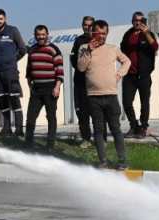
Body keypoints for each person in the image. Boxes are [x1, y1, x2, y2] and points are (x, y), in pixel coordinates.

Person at [76, 20, 130, 170]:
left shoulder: (113, 48)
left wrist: (119, 74)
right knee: (98, 131)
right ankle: (103, 161)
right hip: (93, 97)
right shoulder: (83, 48)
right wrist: (89, 50)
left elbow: (127, 62)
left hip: (111, 96)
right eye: (98, 33)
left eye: (103, 33)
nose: (100, 36)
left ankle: (122, 160)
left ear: (107, 34)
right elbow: (81, 67)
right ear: (92, 33)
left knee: (116, 129)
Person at [24, 25, 64, 151]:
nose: (40, 37)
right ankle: (28, 143)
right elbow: (29, 70)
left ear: (47, 34)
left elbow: (60, 71)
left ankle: (50, 145)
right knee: (31, 117)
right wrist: (30, 84)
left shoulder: (54, 49)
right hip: (36, 89)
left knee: (51, 117)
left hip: (50, 88)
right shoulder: (32, 49)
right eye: (38, 34)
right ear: (35, 35)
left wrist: (57, 87)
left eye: (43, 34)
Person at [119, 11, 158, 138]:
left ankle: (143, 127)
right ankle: (134, 126)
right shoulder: (128, 34)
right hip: (129, 75)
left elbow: (155, 47)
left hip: (144, 75)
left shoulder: (148, 34)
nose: (138, 22)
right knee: (126, 102)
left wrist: (146, 33)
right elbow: (122, 50)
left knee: (144, 102)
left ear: (144, 22)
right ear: (132, 21)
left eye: (140, 20)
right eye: (136, 20)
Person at [0, 9, 27, 137]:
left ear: (5, 18)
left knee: (14, 99)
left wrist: (12, 60)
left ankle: (19, 129)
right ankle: (6, 129)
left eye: (0, 19)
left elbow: (23, 49)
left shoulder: (13, 30)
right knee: (2, 100)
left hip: (10, 72)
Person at [69, 16, 95, 147]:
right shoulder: (78, 40)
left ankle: (101, 139)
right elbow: (73, 59)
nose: (87, 27)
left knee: (96, 112)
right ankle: (86, 138)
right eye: (85, 24)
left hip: (94, 82)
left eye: (90, 25)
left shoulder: (98, 40)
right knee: (81, 111)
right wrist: (80, 68)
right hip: (80, 81)